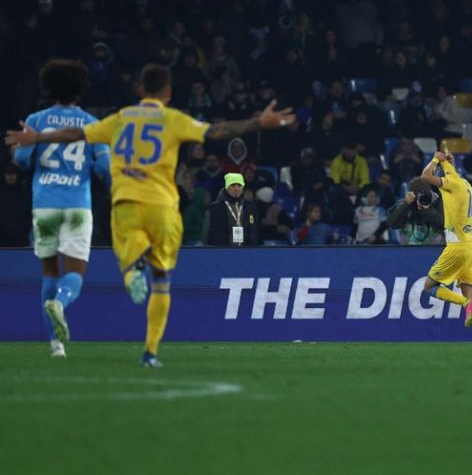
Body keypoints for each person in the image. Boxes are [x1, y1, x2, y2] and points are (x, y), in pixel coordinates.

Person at [6, 64, 294, 367]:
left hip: (126, 203)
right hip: (161, 205)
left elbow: (76, 135)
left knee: (109, 259)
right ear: (168, 93)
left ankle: (130, 273)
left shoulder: (120, 119)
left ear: (139, 90)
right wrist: (259, 122)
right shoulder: (173, 119)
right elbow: (218, 131)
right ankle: (150, 352)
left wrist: (37, 139)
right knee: (161, 281)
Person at [10, 60, 110, 357]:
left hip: (44, 207)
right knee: (76, 271)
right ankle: (62, 303)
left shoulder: (36, 120)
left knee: (49, 272)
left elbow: (23, 160)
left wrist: (19, 152)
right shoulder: (92, 123)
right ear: (80, 90)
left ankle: (56, 346)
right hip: (78, 206)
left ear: (48, 88)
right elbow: (105, 166)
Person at [418, 152, 472, 343]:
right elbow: (449, 175)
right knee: (471, 292)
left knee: (429, 287)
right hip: (471, 248)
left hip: (457, 248)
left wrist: (435, 159)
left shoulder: (451, 183)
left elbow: (425, 176)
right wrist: (449, 163)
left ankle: (466, 303)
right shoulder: (465, 184)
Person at [373, 177, 445, 245]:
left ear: (430, 193)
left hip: (434, 251)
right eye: (417, 195)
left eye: (425, 195)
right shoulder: (404, 204)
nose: (421, 199)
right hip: (408, 251)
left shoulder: (437, 204)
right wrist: (406, 204)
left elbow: (444, 226)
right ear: (411, 194)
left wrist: (427, 211)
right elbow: (392, 224)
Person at [206, 173, 259, 246]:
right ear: (227, 188)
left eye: (239, 185)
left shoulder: (251, 207)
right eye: (233, 185)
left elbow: (256, 231)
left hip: (247, 253)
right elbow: (206, 234)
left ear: (243, 188)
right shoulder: (215, 208)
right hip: (222, 252)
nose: (236, 189)